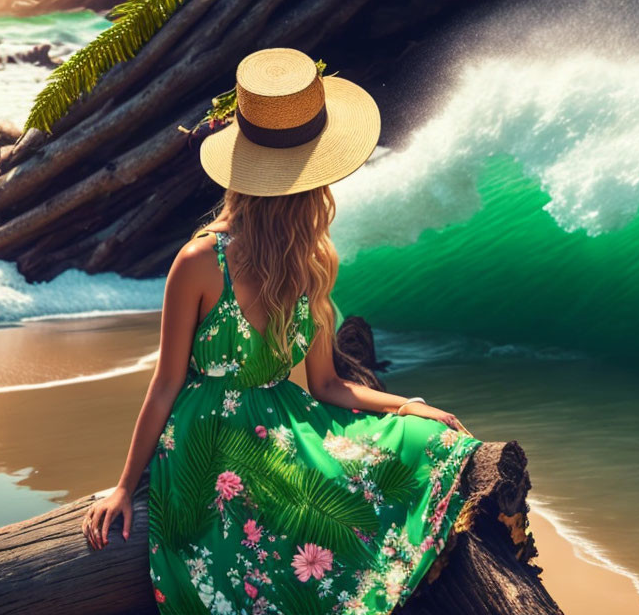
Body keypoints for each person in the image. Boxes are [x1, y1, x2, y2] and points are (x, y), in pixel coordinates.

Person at [82, 47, 483, 614]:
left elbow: (327, 385)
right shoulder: (199, 261)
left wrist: (405, 408)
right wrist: (124, 484)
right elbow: (166, 383)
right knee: (285, 544)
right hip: (207, 443)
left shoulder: (314, 262)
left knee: (431, 444)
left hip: (286, 423)